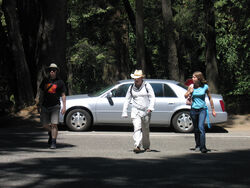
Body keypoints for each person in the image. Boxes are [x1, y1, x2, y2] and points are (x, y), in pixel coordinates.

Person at [122, 70, 155, 153]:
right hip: (135, 110)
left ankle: (146, 146)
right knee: (137, 127)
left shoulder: (147, 86)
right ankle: (137, 145)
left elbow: (152, 97)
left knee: (145, 130)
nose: (135, 79)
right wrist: (124, 111)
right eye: (134, 78)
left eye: (137, 78)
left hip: (146, 110)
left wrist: (151, 107)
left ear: (141, 78)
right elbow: (127, 99)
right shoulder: (131, 87)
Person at [185, 71, 216, 153]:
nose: (192, 78)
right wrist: (189, 92)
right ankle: (197, 145)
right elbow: (185, 96)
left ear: (199, 78)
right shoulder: (191, 86)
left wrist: (213, 109)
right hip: (193, 110)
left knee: (201, 127)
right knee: (196, 129)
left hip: (202, 109)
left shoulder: (205, 87)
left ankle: (203, 147)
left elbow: (210, 98)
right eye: (192, 77)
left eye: (194, 77)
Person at [39, 63, 66, 149]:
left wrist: (64, 107)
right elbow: (41, 93)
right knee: (44, 125)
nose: (52, 71)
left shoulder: (60, 82)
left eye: (54, 70)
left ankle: (53, 142)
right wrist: (39, 104)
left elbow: (63, 95)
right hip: (45, 105)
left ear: (56, 71)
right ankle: (51, 133)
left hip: (55, 106)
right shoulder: (45, 81)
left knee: (54, 124)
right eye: (50, 70)